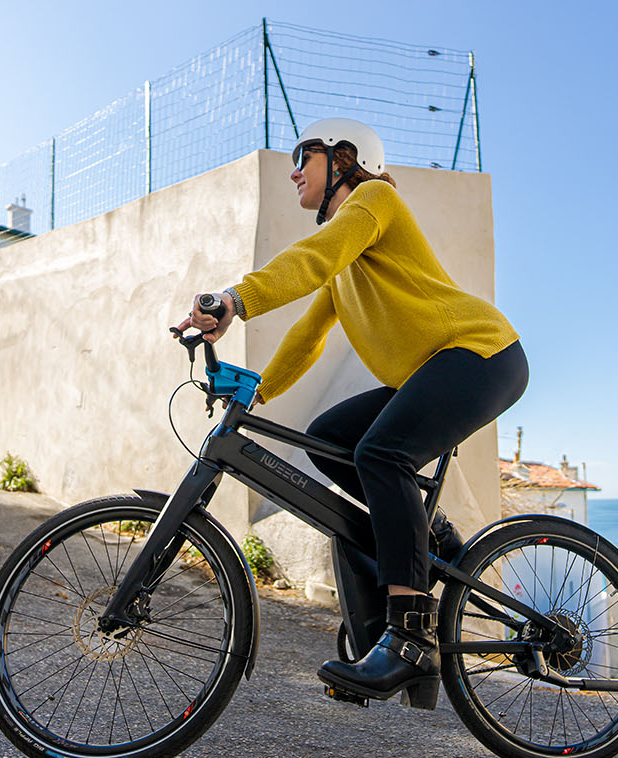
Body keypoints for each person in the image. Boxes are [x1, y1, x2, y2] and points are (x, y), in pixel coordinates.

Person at [172, 118, 527, 705]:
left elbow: (312, 257)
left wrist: (237, 298)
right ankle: (429, 544)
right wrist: (253, 392)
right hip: (436, 371)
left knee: (381, 453)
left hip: (482, 354)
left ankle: (410, 636)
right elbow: (308, 337)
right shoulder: (348, 257)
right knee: (328, 438)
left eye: (302, 157)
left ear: (342, 157)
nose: (292, 170)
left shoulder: (374, 200)